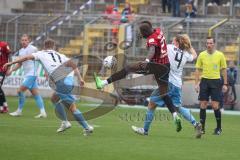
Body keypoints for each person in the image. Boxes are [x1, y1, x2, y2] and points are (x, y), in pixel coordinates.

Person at [94, 21, 182, 132]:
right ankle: (175, 116)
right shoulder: (158, 31)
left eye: (141, 32)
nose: (140, 34)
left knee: (127, 69)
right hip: (165, 66)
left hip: (154, 65)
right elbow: (152, 39)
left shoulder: (151, 39)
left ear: (145, 31)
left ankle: (102, 83)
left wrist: (147, 60)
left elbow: (152, 49)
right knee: (164, 93)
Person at [4, 39, 93, 135]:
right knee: (54, 99)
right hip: (68, 78)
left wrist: (10, 63)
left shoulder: (41, 53)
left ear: (44, 46)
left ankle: (87, 127)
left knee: (72, 107)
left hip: (61, 80)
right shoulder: (60, 55)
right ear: (53, 46)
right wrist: (80, 79)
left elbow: (26, 58)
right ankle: (65, 122)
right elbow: (73, 65)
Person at [132, 34, 203, 138]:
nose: (172, 42)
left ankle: (145, 130)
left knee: (152, 103)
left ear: (177, 43)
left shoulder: (169, 48)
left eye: (174, 41)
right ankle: (195, 124)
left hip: (167, 83)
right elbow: (195, 55)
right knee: (177, 107)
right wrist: (188, 45)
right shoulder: (185, 54)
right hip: (178, 85)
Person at [7, 34, 47, 118]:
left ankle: (19, 111)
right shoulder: (21, 51)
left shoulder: (33, 49)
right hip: (28, 74)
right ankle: (43, 112)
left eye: (25, 40)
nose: (24, 41)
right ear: (20, 41)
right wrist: (11, 70)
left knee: (20, 91)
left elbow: (41, 58)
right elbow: (19, 64)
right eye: (22, 40)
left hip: (32, 74)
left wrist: (45, 71)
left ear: (29, 41)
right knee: (35, 93)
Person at [195, 36, 228, 135]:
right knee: (203, 104)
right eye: (207, 43)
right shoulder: (201, 55)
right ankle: (202, 129)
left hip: (216, 81)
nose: (209, 45)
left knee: (215, 105)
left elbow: (223, 70)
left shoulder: (220, 55)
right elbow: (198, 70)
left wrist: (225, 84)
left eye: (210, 43)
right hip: (204, 81)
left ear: (214, 44)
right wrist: (196, 83)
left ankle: (218, 128)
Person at [0, 41, 11, 113]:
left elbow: (9, 56)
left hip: (2, 69)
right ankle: (5, 106)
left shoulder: (4, 44)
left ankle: (1, 107)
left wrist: (9, 68)